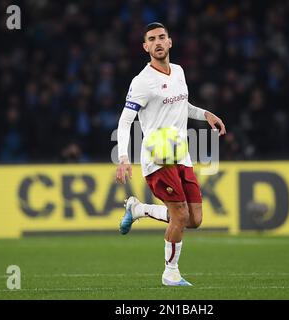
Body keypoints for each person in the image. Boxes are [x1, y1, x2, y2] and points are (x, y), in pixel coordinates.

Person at [115, 22, 226, 286]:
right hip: (157, 159)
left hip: (182, 156)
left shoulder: (178, 71)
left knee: (195, 219)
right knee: (179, 216)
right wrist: (122, 157)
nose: (157, 42)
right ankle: (170, 272)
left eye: (161, 37)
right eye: (152, 39)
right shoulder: (142, 82)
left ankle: (138, 209)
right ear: (145, 47)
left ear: (170, 42)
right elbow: (125, 121)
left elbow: (182, 105)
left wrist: (205, 114)